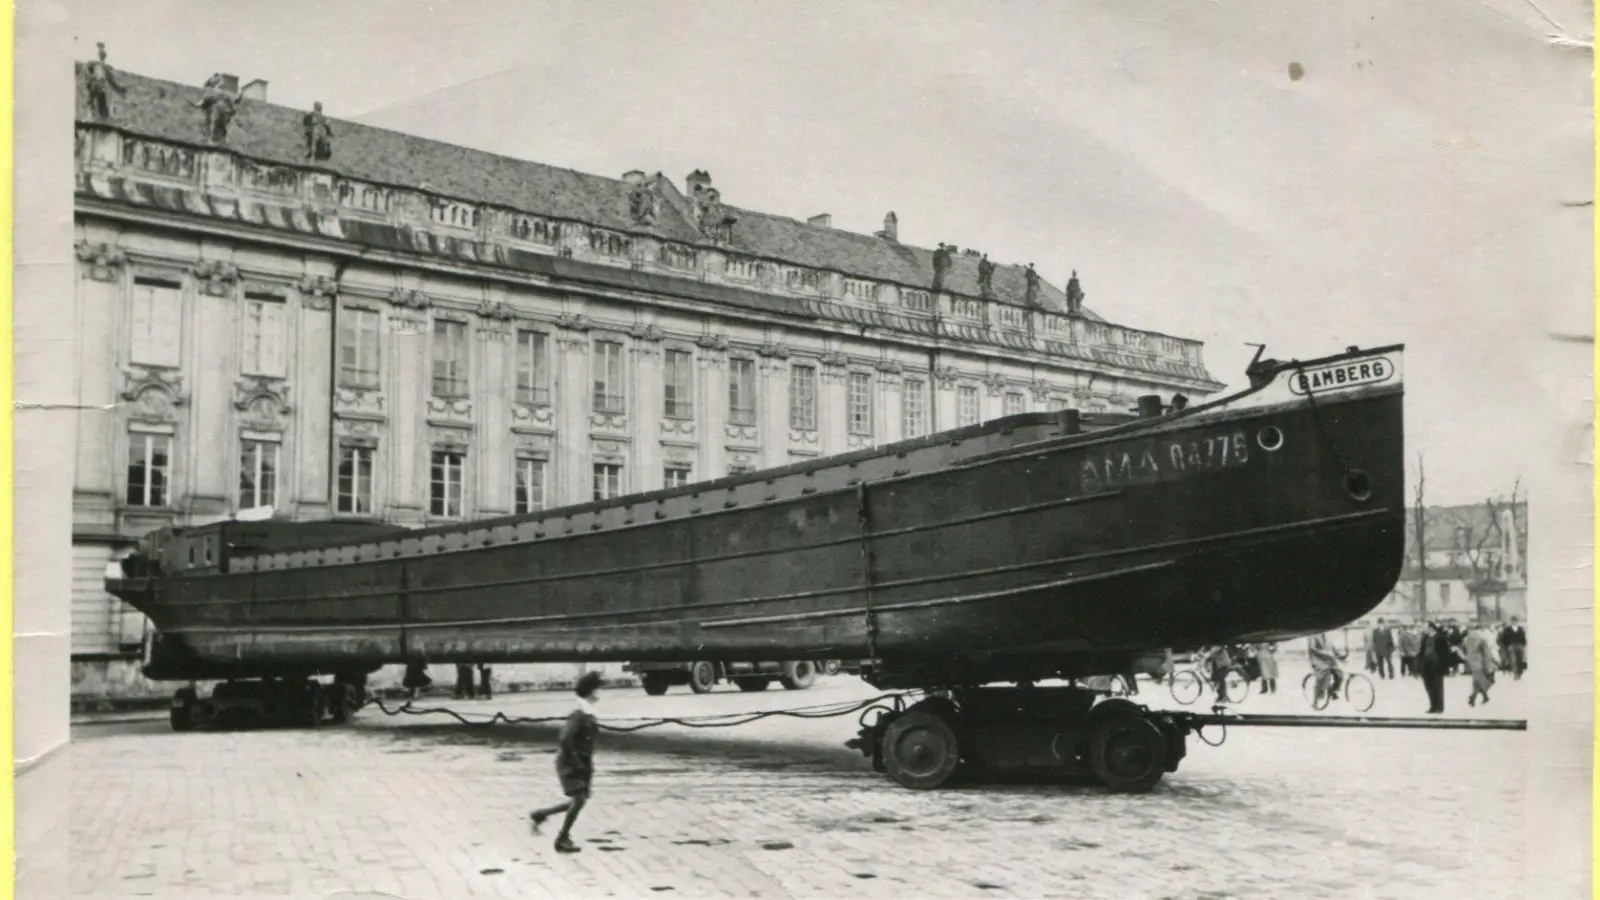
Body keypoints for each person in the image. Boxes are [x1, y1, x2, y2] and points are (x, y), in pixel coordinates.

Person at [530, 671, 604, 853]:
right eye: (596, 690)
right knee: (579, 799)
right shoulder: (579, 714)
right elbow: (565, 739)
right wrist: (577, 760)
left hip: (582, 761)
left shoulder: (587, 711)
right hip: (571, 762)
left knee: (581, 798)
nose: (599, 695)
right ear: (590, 692)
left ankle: (542, 814)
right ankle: (562, 838)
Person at [1463, 622, 1500, 707]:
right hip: (1479, 662)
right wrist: (1490, 663)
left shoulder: (1466, 639)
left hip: (1474, 662)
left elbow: (1466, 651)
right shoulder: (1481, 639)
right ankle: (1480, 697)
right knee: (1478, 681)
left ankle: (1474, 698)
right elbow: (1486, 653)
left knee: (1477, 681)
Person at [1417, 622, 1450, 714]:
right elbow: (1422, 651)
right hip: (1426, 665)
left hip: (1437, 665)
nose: (1423, 629)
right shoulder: (1424, 638)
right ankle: (1432, 706)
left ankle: (1439, 707)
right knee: (1429, 687)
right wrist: (1420, 664)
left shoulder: (1441, 637)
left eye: (1425, 627)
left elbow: (1445, 653)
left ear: (1431, 628)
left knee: (1438, 687)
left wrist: (1445, 667)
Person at [1307, 633, 1344, 702]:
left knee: (1340, 675)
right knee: (1324, 675)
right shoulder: (1313, 634)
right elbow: (1312, 649)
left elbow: (1332, 647)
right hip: (1318, 661)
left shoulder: (1328, 634)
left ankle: (1332, 690)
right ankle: (1316, 700)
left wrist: (1340, 656)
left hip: (1329, 661)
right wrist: (1325, 653)